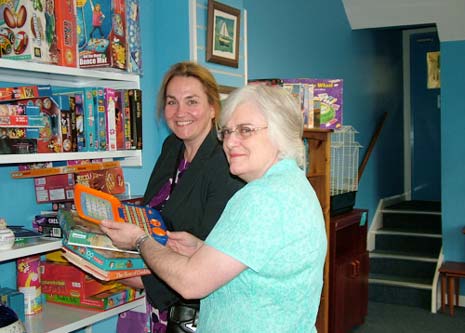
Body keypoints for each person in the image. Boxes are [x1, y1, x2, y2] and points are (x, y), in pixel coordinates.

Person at [101, 84, 327, 332]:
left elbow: (190, 283)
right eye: (227, 131)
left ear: (280, 133)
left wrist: (140, 240)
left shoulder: (261, 198)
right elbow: (259, 261)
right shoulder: (293, 183)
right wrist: (201, 249)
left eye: (245, 130)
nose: (230, 142)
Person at [116, 62, 244, 333]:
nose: (180, 112)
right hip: (159, 292)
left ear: (212, 107)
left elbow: (210, 258)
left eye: (192, 101)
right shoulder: (171, 146)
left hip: (193, 307)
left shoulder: (225, 163)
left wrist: (123, 272)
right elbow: (155, 214)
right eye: (172, 102)